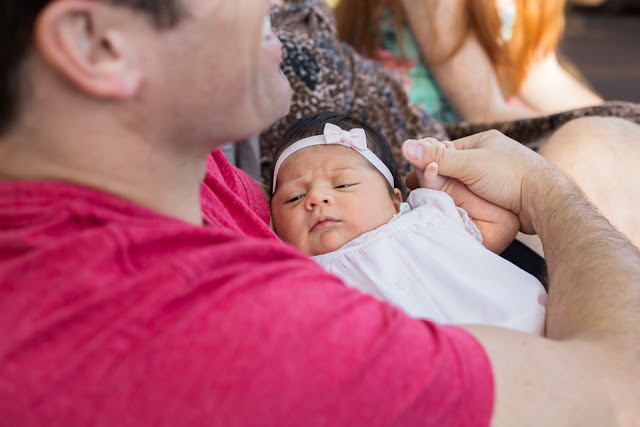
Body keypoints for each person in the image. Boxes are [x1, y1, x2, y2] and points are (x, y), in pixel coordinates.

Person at [1, 1, 640, 426]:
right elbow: (622, 392)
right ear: (97, 42)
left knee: (607, 140)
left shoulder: (178, 181)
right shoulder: (211, 327)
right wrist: (547, 196)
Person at [262, 0, 640, 255]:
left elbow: (539, 76)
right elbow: (482, 104)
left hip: (486, 118)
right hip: (442, 134)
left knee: (616, 137)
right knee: (604, 151)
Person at [270, 112, 547, 334]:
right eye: (294, 197)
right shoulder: (302, 281)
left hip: (526, 327)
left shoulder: (426, 217)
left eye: (343, 184)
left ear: (395, 200)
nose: (316, 198)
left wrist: (447, 189)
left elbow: (501, 224)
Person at [333, 0, 603, 123]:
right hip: (428, 143)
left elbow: (538, 76)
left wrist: (624, 122)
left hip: (497, 125)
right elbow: (483, 112)